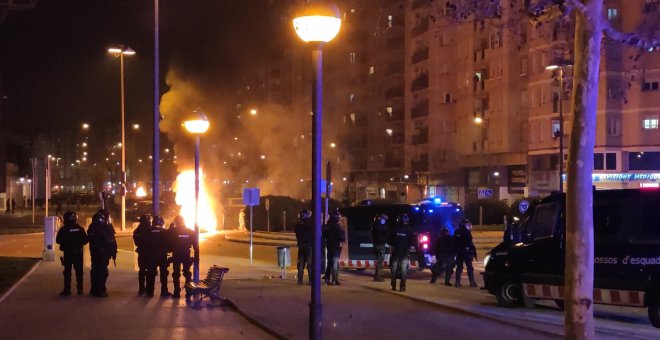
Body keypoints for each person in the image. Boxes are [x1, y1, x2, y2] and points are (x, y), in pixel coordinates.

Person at [55, 211, 88, 296]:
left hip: (68, 253)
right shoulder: (80, 229)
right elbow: (85, 240)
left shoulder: (63, 229)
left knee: (67, 272)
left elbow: (58, 241)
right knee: (79, 272)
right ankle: (80, 290)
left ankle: (67, 290)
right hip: (78, 253)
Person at [87, 210, 117, 297]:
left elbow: (112, 240)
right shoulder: (103, 227)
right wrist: (113, 251)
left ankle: (95, 289)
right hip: (101, 252)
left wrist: (113, 251)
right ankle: (100, 290)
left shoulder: (94, 226)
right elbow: (112, 241)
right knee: (101, 271)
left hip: (97, 252)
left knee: (96, 270)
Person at [168, 215, 198, 298]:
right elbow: (195, 245)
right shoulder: (189, 231)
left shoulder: (173, 231)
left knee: (176, 274)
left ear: (176, 222)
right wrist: (196, 256)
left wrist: (170, 228)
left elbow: (167, 239)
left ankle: (177, 292)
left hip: (176, 254)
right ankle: (188, 293)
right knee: (187, 273)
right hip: (186, 254)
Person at [143, 215, 171, 298]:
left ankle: (149, 292)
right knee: (163, 274)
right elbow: (169, 243)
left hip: (151, 256)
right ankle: (164, 292)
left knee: (150, 274)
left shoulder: (148, 231)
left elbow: (144, 243)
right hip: (162, 256)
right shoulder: (165, 231)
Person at [388, 213, 413, 292]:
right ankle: (402, 286)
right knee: (403, 269)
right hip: (405, 252)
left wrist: (394, 244)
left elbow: (389, 240)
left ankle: (393, 285)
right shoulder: (409, 230)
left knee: (393, 267)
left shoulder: (394, 229)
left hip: (396, 251)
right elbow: (411, 242)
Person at [323, 210, 345, 286]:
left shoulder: (327, 226)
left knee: (329, 263)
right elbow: (341, 237)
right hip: (336, 246)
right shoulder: (337, 227)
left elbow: (323, 235)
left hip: (329, 246)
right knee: (335, 263)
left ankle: (326, 279)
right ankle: (334, 280)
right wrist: (343, 233)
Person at [454, 218, 478, 288]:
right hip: (466, 252)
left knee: (459, 268)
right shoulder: (467, 232)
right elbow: (470, 244)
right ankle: (472, 282)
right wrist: (474, 253)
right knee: (469, 267)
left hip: (459, 252)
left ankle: (457, 283)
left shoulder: (456, 232)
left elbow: (454, 243)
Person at [133, 214, 151, 296]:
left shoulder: (137, 231)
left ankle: (141, 289)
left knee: (142, 271)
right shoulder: (150, 229)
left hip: (142, 252)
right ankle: (148, 289)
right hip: (149, 253)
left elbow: (136, 242)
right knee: (150, 271)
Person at [294, 209, 313, 285]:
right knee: (310, 265)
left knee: (301, 264)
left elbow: (297, 233)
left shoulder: (298, 225)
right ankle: (311, 281)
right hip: (309, 247)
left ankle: (300, 280)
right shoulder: (310, 225)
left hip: (301, 247)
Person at [370, 213, 389, 282]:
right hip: (380, 244)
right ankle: (377, 277)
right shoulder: (379, 226)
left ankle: (377, 276)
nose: (384, 221)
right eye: (384, 219)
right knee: (379, 261)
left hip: (377, 244)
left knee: (378, 261)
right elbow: (382, 234)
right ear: (380, 219)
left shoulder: (375, 225)